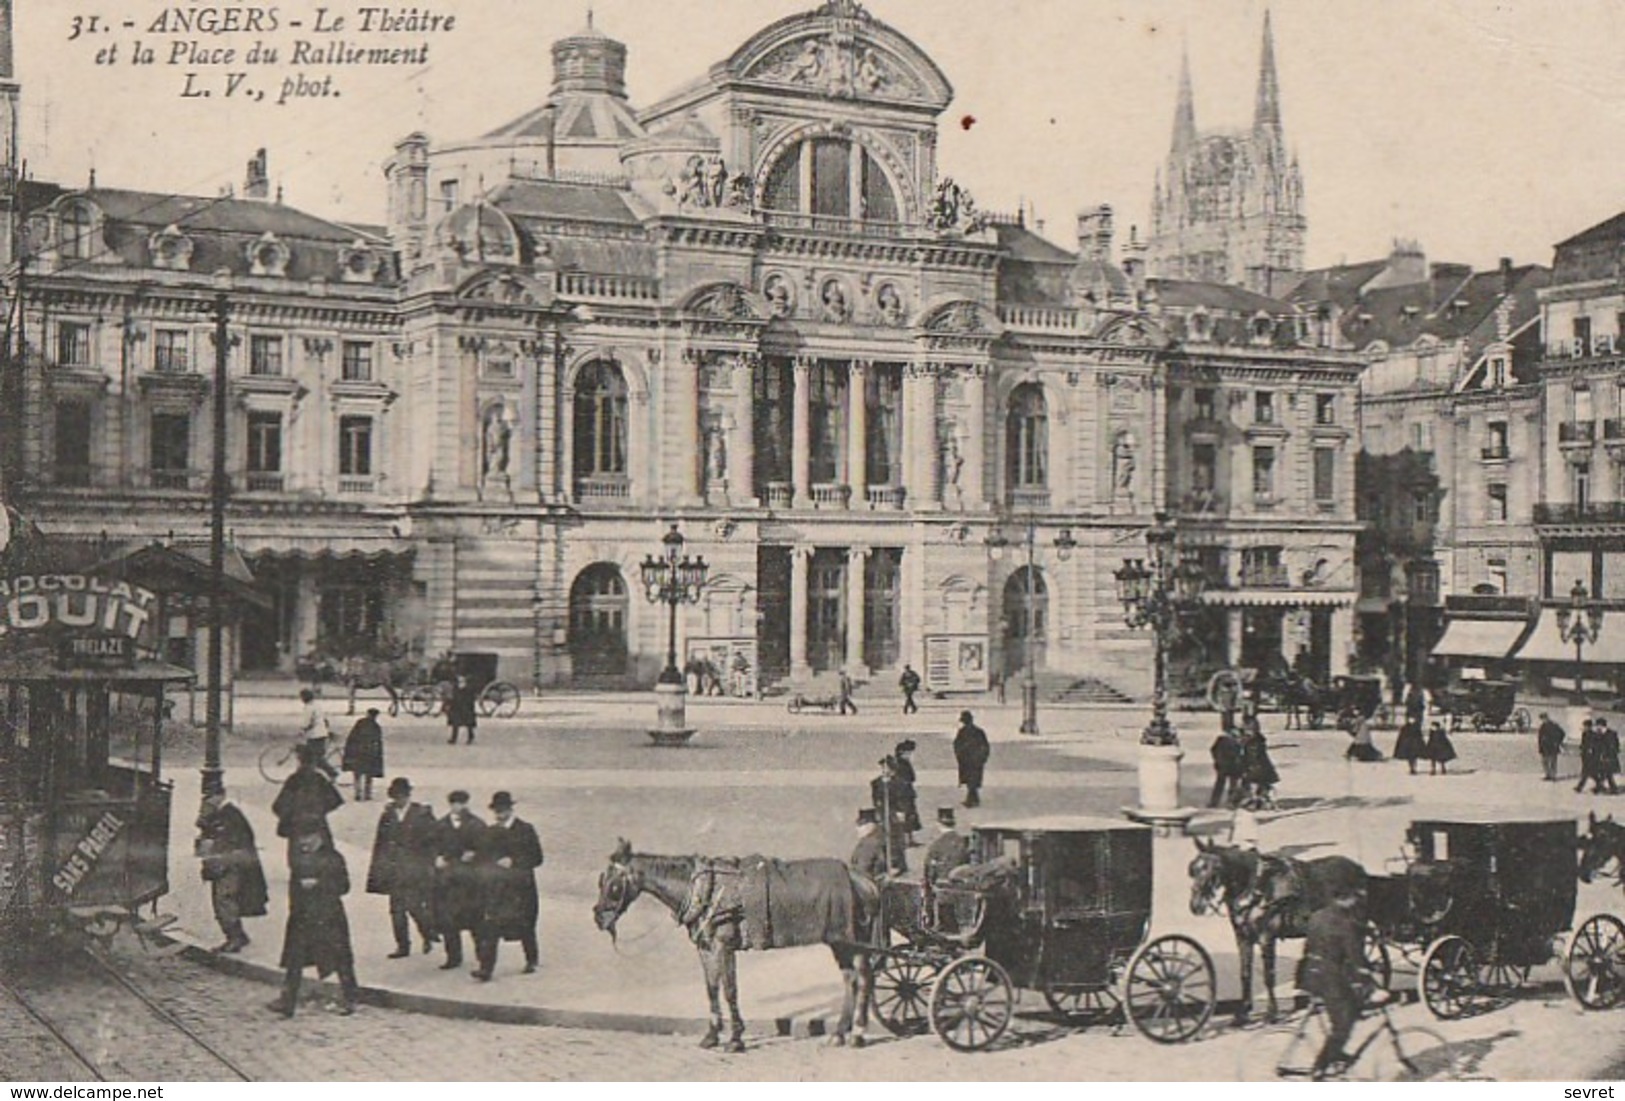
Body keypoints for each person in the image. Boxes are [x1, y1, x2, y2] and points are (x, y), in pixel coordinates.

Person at [269, 825, 360, 1018]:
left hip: (328, 917)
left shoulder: (333, 858)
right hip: (302, 917)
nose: (304, 842)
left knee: (341, 958)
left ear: (319, 837)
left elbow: (344, 886)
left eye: (308, 837)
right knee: (294, 960)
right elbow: (294, 889)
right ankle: (288, 1001)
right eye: (301, 838)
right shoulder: (300, 859)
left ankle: (351, 997)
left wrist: (319, 884)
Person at [1295, 878, 1374, 1079]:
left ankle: (1336, 1053)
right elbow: (1356, 958)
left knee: (1351, 1009)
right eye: (1353, 898)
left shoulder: (1317, 916)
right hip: (1329, 979)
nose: (1356, 902)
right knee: (1342, 1024)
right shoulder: (1345, 923)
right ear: (1346, 899)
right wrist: (1371, 983)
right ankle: (1320, 1067)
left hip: (1309, 975)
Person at [474, 792, 544, 980]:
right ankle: (486, 969)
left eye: (502, 810)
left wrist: (514, 861)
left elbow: (537, 858)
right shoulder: (490, 832)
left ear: (510, 809)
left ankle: (531, 959)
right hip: (498, 888)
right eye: (496, 811)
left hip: (521, 888)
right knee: (491, 927)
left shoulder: (525, 830)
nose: (499, 814)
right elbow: (483, 857)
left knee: (526, 926)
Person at [366, 777, 438, 959]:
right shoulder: (388, 816)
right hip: (394, 870)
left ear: (408, 796)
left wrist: (429, 865)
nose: (399, 800)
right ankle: (403, 945)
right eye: (396, 797)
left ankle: (428, 932)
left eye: (401, 797)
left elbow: (432, 842)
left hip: (415, 869)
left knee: (414, 907)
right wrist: (379, 868)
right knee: (396, 909)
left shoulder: (422, 814)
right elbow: (380, 843)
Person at [195, 790, 268, 954]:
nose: (204, 806)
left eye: (207, 802)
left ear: (217, 798)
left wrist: (216, 863)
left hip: (230, 866)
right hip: (227, 864)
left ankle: (235, 938)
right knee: (223, 901)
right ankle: (237, 936)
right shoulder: (223, 815)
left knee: (224, 901)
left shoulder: (228, 816)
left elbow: (228, 844)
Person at [431, 790, 487, 971]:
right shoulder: (441, 825)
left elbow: (487, 850)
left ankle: (483, 957)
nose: (458, 807)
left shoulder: (477, 825)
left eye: (461, 803)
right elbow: (432, 846)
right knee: (448, 921)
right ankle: (453, 957)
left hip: (470, 881)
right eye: (455, 803)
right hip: (448, 881)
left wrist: (476, 854)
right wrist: (437, 857)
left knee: (475, 921)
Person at [271, 743, 343, 859]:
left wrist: (290, 815)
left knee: (298, 861)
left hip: (297, 827)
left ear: (299, 761)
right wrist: (320, 811)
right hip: (318, 825)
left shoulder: (293, 780)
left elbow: (278, 806)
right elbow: (335, 800)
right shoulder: (319, 779)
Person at [869, 757, 909, 873]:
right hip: (882, 813)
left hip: (894, 814)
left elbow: (903, 800)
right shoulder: (876, 783)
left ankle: (898, 864)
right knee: (882, 838)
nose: (884, 770)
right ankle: (884, 863)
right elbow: (875, 799)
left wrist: (901, 812)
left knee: (895, 839)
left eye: (887, 768)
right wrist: (878, 811)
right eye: (883, 768)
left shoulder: (899, 783)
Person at [341, 708, 385, 802]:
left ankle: (358, 793)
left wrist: (349, 752)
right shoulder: (376, 727)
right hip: (369, 754)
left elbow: (352, 738)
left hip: (358, 752)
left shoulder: (360, 723)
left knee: (357, 774)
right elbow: (378, 743)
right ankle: (367, 794)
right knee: (368, 775)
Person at [923, 807, 971, 883]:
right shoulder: (965, 841)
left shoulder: (936, 845)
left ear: (938, 824)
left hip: (942, 881)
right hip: (961, 881)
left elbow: (929, 870)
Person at [953, 710, 991, 808]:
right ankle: (973, 799)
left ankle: (972, 800)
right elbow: (985, 746)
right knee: (973, 780)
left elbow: (957, 745)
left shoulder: (963, 732)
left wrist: (960, 754)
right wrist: (983, 758)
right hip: (975, 760)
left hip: (968, 760)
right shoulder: (978, 732)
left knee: (970, 780)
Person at [297, 687, 338, 779]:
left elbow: (307, 723)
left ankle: (332, 773)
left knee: (315, 757)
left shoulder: (309, 708)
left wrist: (302, 730)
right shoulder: (317, 705)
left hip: (315, 736)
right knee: (312, 756)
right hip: (321, 734)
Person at [892, 740, 921, 843]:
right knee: (906, 816)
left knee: (908, 816)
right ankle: (907, 840)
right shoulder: (901, 765)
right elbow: (911, 777)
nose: (910, 755)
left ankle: (909, 839)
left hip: (906, 793)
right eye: (908, 753)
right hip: (903, 794)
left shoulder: (900, 763)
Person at [849, 807, 889, 879]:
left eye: (860, 825)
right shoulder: (874, 840)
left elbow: (862, 869)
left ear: (870, 826)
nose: (857, 829)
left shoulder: (869, 844)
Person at [1209, 727, 1244, 808]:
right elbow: (1213, 750)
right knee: (1228, 784)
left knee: (1229, 785)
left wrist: (1217, 760)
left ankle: (1222, 802)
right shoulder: (1225, 741)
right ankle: (1225, 802)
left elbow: (1213, 750)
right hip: (1227, 766)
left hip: (1229, 766)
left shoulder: (1222, 740)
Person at [446, 674, 478, 745]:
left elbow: (471, 699)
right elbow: (453, 698)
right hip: (457, 708)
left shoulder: (469, 689)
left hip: (466, 708)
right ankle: (454, 738)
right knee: (455, 724)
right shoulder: (455, 689)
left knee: (468, 724)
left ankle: (470, 737)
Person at [1537, 712, 1566, 782]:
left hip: (1552, 746)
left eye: (1544, 718)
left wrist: (1558, 742)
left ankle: (1553, 775)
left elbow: (1562, 733)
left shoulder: (1553, 725)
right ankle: (1548, 775)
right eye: (1542, 719)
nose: (1543, 720)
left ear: (1547, 718)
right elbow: (1540, 738)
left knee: (1552, 761)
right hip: (1545, 747)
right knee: (1545, 761)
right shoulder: (1542, 726)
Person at [1596, 717, 1621, 795]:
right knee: (1604, 773)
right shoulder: (1599, 734)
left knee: (1607, 773)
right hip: (1602, 757)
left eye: (1598, 725)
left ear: (1601, 725)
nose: (1597, 727)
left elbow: (1614, 745)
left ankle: (1612, 789)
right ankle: (1604, 788)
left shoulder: (1611, 734)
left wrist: (1609, 755)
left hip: (1609, 757)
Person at [1577, 719, 1601, 794]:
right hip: (1585, 755)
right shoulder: (1584, 734)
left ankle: (1580, 787)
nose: (1584, 727)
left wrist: (1591, 750)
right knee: (1591, 773)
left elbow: (1596, 745)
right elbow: (1583, 744)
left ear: (1589, 727)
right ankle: (1599, 784)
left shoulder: (1594, 735)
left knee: (1586, 772)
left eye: (1586, 726)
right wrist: (1581, 748)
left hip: (1591, 757)